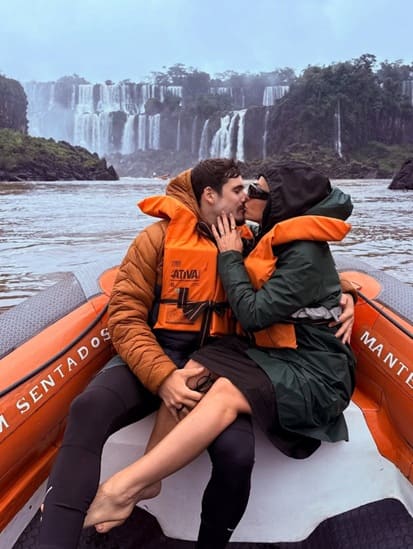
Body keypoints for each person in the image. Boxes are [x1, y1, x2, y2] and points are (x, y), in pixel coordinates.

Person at [39, 159, 355, 549]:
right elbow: (124, 316)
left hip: (218, 363)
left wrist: (345, 293)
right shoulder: (156, 239)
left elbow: (301, 274)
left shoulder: (249, 240)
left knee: (237, 455)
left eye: (252, 190)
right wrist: (162, 376)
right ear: (209, 195)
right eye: (238, 191)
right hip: (159, 353)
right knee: (89, 407)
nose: (246, 198)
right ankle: (57, 536)